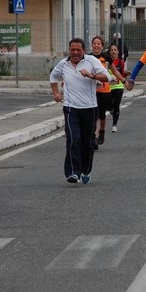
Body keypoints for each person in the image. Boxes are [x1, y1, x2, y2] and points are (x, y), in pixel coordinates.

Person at [49, 37, 111, 184]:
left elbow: (107, 77)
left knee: (88, 142)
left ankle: (86, 169)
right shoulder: (63, 64)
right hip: (71, 108)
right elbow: (53, 76)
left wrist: (92, 75)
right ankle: (73, 173)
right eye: (73, 50)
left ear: (84, 50)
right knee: (73, 138)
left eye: (78, 50)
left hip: (89, 108)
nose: (75, 53)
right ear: (69, 50)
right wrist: (56, 94)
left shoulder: (91, 61)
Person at [90, 36, 127, 148]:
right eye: (94, 43)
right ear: (92, 45)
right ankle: (94, 138)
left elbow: (114, 71)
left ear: (102, 46)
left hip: (105, 89)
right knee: (94, 114)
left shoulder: (106, 58)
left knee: (102, 113)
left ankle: (102, 131)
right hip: (92, 89)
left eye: (98, 44)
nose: (96, 45)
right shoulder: (88, 57)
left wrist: (124, 81)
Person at [108, 43, 131, 132]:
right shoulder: (107, 62)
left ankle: (114, 125)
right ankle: (110, 109)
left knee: (116, 104)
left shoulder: (121, 62)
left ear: (118, 52)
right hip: (109, 87)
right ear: (109, 52)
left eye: (115, 50)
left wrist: (126, 73)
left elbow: (121, 74)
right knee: (109, 104)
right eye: (112, 50)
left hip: (118, 86)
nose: (113, 51)